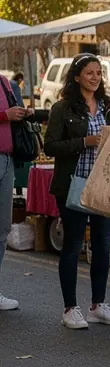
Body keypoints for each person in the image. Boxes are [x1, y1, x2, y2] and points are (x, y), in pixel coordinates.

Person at [43, 56, 110, 330]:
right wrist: (84, 142)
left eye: (98, 73)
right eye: (89, 72)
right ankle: (70, 308)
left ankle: (98, 305)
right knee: (73, 246)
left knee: (102, 245)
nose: (95, 77)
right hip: (74, 184)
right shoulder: (62, 108)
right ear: (76, 76)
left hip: (104, 184)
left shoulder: (108, 105)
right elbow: (51, 145)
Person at [0, 75, 44, 312]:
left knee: (3, 228)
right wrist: (4, 116)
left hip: (7, 160)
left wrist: (22, 113)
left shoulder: (4, 82)